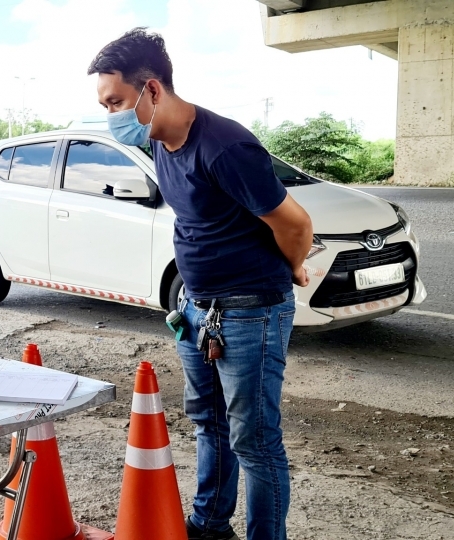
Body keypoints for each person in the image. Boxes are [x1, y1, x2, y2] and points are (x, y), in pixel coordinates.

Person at [89, 29, 314, 540]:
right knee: (208, 423)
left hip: (249, 312)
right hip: (195, 309)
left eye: (116, 102)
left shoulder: (225, 146)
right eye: (104, 105)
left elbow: (295, 224)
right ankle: (211, 524)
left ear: (152, 90)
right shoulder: (161, 142)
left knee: (254, 441)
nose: (111, 116)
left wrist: (292, 267)